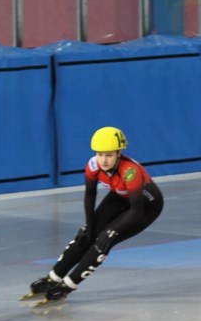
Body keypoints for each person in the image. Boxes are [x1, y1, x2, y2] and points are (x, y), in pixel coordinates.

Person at [26, 126, 164, 302]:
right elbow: (90, 195)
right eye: (100, 154)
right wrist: (89, 225)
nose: (103, 160)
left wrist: (112, 230)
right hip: (119, 195)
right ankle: (53, 277)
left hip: (146, 206)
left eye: (109, 155)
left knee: (104, 241)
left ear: (118, 153)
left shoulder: (130, 171)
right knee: (85, 235)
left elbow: (136, 210)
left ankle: (68, 286)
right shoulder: (93, 165)